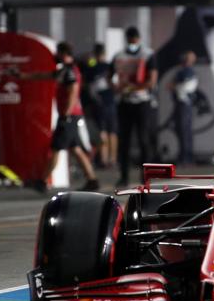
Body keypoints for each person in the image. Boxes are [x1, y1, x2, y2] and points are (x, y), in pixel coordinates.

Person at [17, 42, 99, 191]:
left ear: (64, 53)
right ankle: (92, 179)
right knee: (75, 149)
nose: (56, 56)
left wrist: (66, 115)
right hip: (72, 116)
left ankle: (42, 181)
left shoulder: (70, 71)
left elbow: (73, 92)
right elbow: (45, 75)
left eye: (58, 53)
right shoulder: (64, 70)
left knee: (55, 148)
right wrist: (23, 75)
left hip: (69, 116)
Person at [111, 26, 158, 187]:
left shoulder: (147, 54)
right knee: (124, 142)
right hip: (124, 102)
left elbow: (152, 80)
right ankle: (124, 176)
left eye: (134, 39)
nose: (132, 42)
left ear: (138, 39)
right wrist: (117, 87)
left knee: (144, 141)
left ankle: (145, 177)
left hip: (142, 102)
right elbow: (110, 76)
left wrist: (133, 88)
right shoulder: (119, 55)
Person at [81, 43, 117, 168]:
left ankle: (103, 159)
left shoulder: (92, 68)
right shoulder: (110, 67)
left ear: (95, 54)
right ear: (105, 53)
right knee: (112, 131)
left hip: (99, 103)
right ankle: (113, 159)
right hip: (111, 102)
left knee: (102, 131)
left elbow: (86, 86)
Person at [169, 50, 198, 166]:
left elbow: (183, 87)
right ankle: (185, 156)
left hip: (184, 104)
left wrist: (175, 87)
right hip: (183, 104)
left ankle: (186, 156)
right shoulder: (183, 71)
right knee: (183, 130)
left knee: (184, 130)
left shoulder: (187, 72)